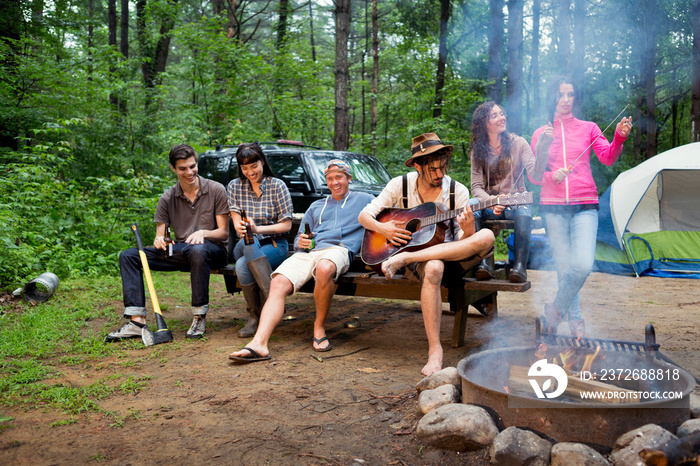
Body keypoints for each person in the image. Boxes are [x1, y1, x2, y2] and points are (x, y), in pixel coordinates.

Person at [358, 133, 495, 376]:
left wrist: (468, 231)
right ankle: (435, 350)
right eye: (433, 169)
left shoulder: (457, 191)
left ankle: (404, 258)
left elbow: (463, 243)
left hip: (451, 257)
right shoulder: (399, 185)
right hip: (418, 260)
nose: (440, 174)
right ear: (418, 166)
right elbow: (364, 216)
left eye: (442, 167)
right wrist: (383, 228)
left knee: (486, 237)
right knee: (433, 266)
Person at [228, 160, 374, 362]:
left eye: (339, 177)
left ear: (349, 178)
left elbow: (386, 216)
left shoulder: (365, 200)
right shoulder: (316, 206)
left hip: (339, 250)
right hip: (309, 252)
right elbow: (298, 240)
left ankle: (319, 327)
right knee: (278, 281)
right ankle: (259, 343)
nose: (335, 182)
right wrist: (302, 241)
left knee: (324, 268)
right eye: (330, 179)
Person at [530, 76, 632, 337]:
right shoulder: (541, 133)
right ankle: (576, 326)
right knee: (565, 270)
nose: (566, 100)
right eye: (561, 95)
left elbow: (607, 158)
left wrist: (619, 138)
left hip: (585, 204)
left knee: (583, 265)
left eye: (571, 95)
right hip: (553, 208)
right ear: (552, 97)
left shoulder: (588, 127)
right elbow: (533, 175)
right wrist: (552, 176)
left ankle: (554, 311)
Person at [106, 144, 229, 342]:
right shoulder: (167, 198)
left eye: (192, 166)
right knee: (129, 256)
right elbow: (161, 235)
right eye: (183, 168)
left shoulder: (216, 189)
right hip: (182, 250)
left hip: (213, 251)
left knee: (198, 250)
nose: (189, 172)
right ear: (173, 168)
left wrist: (203, 233)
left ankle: (199, 316)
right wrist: (159, 240)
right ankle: (137, 321)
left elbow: (223, 232)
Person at [227, 143, 293, 338]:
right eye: (244, 168)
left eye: (254, 166)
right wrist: (242, 228)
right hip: (245, 243)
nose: (250, 172)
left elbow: (287, 226)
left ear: (262, 162)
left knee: (242, 266)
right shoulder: (234, 186)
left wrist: (258, 229)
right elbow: (236, 221)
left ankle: (256, 318)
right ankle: (275, 305)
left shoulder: (277, 186)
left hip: (275, 245)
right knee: (248, 244)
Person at [470, 101, 535, 283]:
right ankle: (483, 264)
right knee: (471, 204)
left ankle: (519, 267)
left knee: (523, 207)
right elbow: (475, 187)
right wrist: (493, 201)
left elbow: (535, 172)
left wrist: (544, 147)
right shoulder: (478, 151)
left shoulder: (519, 143)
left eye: (502, 113)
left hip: (516, 203)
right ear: (484, 123)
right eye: (495, 115)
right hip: (493, 205)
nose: (502, 118)